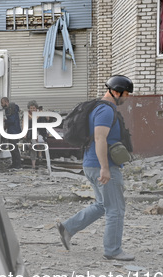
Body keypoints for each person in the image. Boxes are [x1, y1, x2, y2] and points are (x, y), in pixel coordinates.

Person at [56, 75, 135, 261]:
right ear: (115, 92)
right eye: (126, 94)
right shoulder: (105, 111)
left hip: (92, 163)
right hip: (101, 165)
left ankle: (68, 228)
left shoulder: (100, 108)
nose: (127, 97)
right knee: (115, 209)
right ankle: (113, 250)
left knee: (102, 205)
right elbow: (100, 138)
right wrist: (105, 168)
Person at [1, 97, 22, 170]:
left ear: (6, 102)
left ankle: (17, 164)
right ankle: (15, 164)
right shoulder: (12, 109)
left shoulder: (10, 109)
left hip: (14, 131)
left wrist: (5, 121)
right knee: (12, 148)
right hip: (13, 131)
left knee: (14, 148)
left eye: (2, 103)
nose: (1, 104)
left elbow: (12, 120)